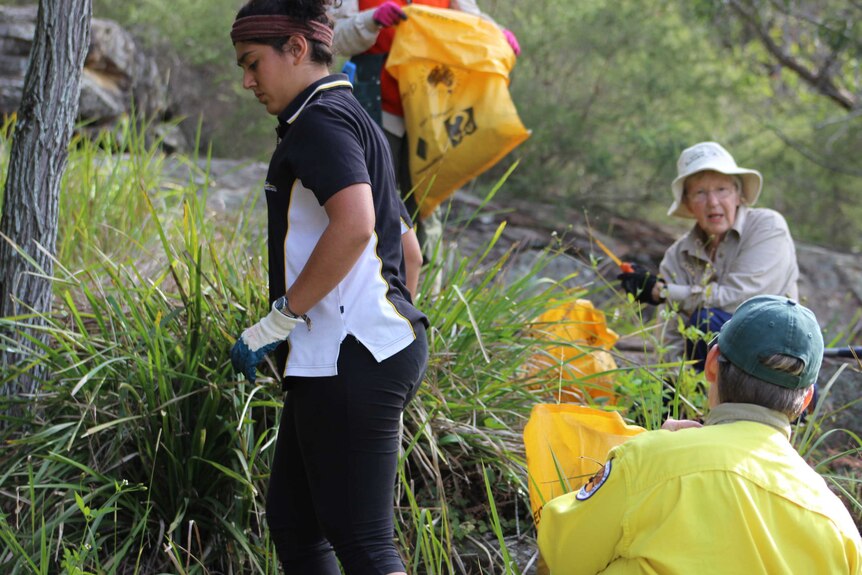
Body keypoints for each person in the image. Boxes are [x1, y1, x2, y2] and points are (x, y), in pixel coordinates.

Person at [228, 1, 429, 573]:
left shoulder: (319, 123)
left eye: (252, 63)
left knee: (363, 541)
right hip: (360, 351)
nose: (247, 81)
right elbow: (406, 249)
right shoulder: (351, 113)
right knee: (295, 521)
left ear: (295, 48)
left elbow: (358, 223)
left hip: (350, 356)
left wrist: (279, 320)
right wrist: (392, 322)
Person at [537, 295, 862, 574]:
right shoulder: (840, 528)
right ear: (806, 400)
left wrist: (652, 447)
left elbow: (562, 555)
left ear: (711, 364)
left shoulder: (647, 460)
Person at [328, 0, 521, 261]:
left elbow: (469, 24)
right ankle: (366, 284)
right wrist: (372, 19)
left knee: (428, 206)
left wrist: (496, 34)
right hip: (375, 107)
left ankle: (426, 295)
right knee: (372, 197)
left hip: (434, 111)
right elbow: (333, 38)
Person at [618, 141, 799, 371]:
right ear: (688, 203)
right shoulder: (677, 255)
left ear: (738, 195)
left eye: (722, 190)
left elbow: (740, 300)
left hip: (775, 364)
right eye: (700, 193)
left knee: (706, 321)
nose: (713, 202)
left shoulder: (767, 227)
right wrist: (675, 386)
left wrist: (661, 291)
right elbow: (670, 332)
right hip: (705, 376)